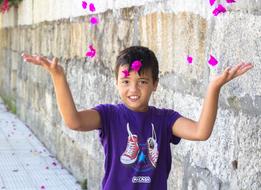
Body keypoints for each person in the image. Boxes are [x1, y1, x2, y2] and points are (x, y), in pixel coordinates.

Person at [21, 46, 253, 190]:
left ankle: (146, 148)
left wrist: (213, 88)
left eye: (142, 81)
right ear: (116, 83)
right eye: (125, 81)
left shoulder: (165, 120)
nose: (133, 89)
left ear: (155, 85)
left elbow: (201, 132)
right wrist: (58, 77)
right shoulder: (109, 115)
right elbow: (74, 121)